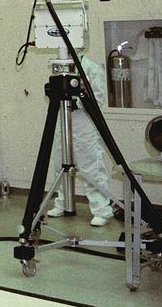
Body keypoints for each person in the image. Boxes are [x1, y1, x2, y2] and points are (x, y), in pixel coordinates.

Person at [47, 49, 116, 227]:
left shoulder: (91, 68)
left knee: (90, 166)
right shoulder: (61, 67)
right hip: (62, 120)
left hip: (83, 122)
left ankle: (102, 210)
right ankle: (62, 202)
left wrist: (76, 103)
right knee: (60, 163)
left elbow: (98, 98)